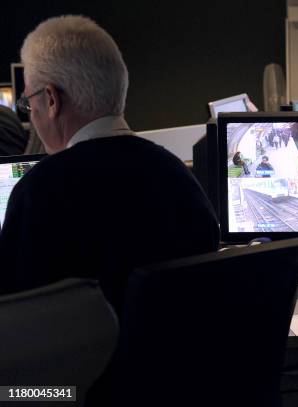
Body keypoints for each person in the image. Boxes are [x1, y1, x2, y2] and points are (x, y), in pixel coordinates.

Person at [0, 16, 220, 314]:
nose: (32, 114)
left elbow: (15, 323)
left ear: (51, 100)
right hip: (181, 359)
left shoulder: (40, 192)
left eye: (29, 103)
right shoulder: (179, 177)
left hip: (88, 362)